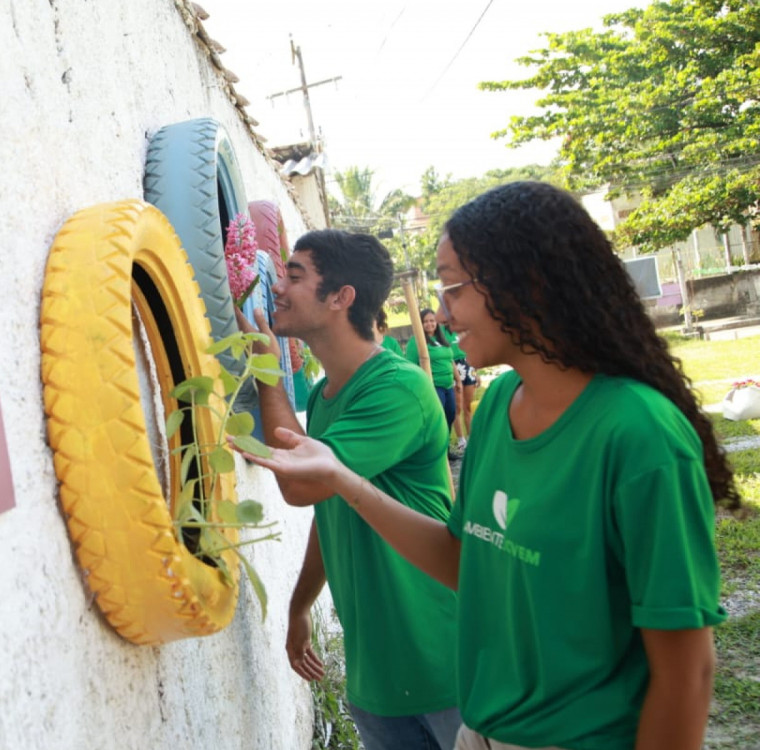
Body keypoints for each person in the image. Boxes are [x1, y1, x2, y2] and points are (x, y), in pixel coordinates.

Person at [234, 181, 737, 750]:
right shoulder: (499, 406)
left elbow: (686, 670)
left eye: (452, 287)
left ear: (528, 284)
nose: (439, 311)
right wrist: (344, 484)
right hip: (486, 726)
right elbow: (463, 559)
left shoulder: (640, 436)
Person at [236, 229, 460, 750]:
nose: (278, 290)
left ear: (341, 297)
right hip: (378, 680)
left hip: (445, 665)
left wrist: (268, 375)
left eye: (294, 276)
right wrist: (299, 606)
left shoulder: (397, 388)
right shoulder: (325, 393)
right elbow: (332, 507)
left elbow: (301, 485)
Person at [403, 307, 463, 440]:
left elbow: (450, 360)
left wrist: (458, 380)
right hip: (434, 387)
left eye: (432, 321)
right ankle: (439, 452)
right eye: (425, 321)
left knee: (450, 415)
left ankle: (445, 449)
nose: (429, 324)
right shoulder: (416, 342)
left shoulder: (441, 339)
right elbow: (412, 366)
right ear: (420, 323)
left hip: (448, 386)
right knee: (437, 420)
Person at [443, 322, 478, 446]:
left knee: (468, 406)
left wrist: (476, 371)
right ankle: (461, 440)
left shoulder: (461, 324)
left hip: (467, 363)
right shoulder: (441, 330)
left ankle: (472, 438)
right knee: (457, 407)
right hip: (453, 364)